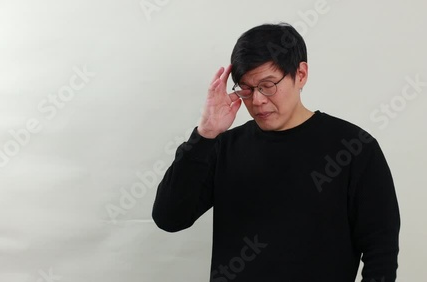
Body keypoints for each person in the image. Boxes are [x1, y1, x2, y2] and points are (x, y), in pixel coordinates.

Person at [152, 22, 400, 282]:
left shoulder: (354, 147)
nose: (257, 100)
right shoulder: (224, 147)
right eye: (246, 89)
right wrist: (204, 135)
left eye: (267, 85)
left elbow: (381, 251)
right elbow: (169, 218)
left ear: (301, 74)